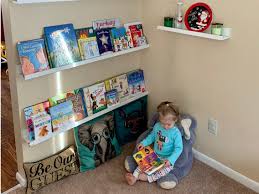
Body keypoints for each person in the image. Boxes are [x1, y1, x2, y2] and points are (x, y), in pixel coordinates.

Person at [125, 101, 183, 185]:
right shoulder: (157, 126)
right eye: (163, 123)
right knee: (142, 164)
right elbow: (152, 136)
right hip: (155, 154)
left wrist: (170, 160)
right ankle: (134, 177)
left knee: (162, 172)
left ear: (175, 120)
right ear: (159, 119)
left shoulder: (176, 133)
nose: (165, 127)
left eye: (169, 124)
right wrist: (143, 143)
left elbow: (179, 148)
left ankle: (143, 178)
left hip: (166, 159)